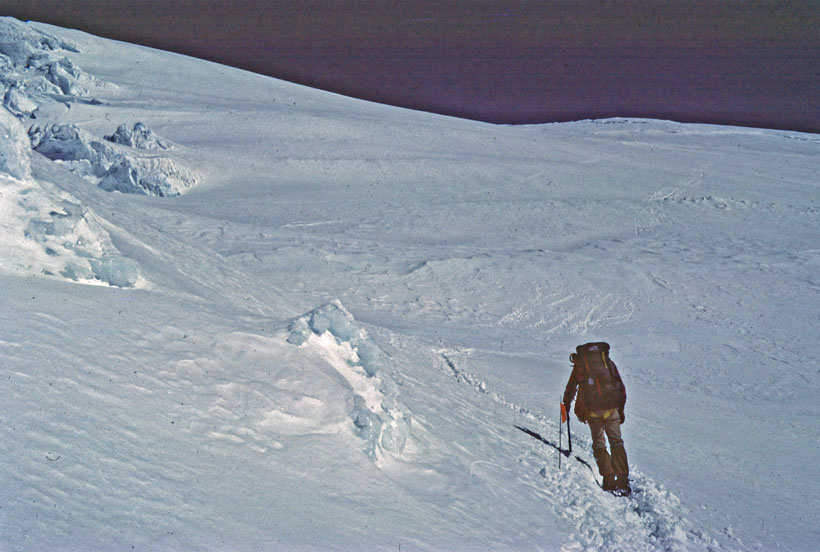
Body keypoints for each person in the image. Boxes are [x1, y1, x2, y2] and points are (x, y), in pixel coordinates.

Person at [562, 342, 630, 495]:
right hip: (611, 409)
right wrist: (621, 410)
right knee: (616, 441)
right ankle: (622, 480)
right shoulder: (608, 363)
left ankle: (608, 478)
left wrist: (566, 405)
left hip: (593, 411)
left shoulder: (580, 367)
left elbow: (571, 388)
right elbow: (620, 386)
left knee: (599, 443)